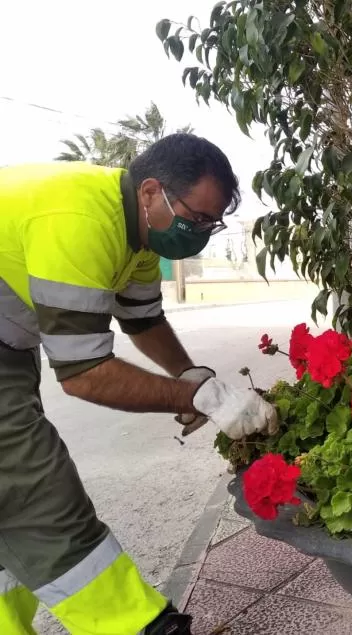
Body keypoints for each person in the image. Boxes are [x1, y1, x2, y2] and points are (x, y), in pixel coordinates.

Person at [0, 133, 279, 635]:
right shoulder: (79, 219)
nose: (200, 233)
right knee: (35, 491)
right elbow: (84, 374)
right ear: (151, 192)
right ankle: (139, 627)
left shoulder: (139, 236)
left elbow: (143, 321)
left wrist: (192, 376)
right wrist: (201, 397)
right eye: (196, 218)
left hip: (9, 351)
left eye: (211, 224)